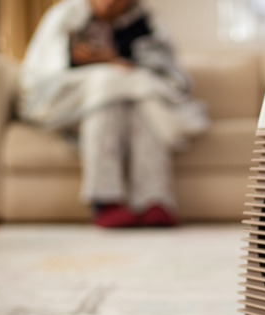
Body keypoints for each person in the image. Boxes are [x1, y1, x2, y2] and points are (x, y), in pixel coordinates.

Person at [18, 0, 208, 227]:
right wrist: (94, 62)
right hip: (76, 104)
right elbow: (44, 72)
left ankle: (154, 199)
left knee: (141, 99)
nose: (109, 4)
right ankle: (105, 198)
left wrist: (116, 63)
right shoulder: (67, 17)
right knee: (107, 85)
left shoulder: (146, 22)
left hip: (133, 101)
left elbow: (165, 74)